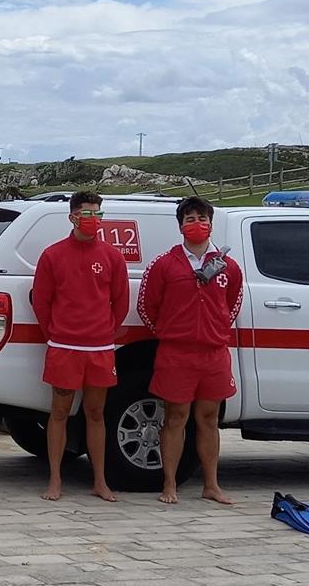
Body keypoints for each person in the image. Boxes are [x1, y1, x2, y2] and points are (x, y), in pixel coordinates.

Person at [138, 196, 242, 505]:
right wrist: (171, 334)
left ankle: (211, 484)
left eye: (201, 218)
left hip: (213, 353)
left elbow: (233, 302)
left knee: (209, 418)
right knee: (175, 417)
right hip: (176, 353)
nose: (196, 224)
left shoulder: (228, 266)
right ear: (181, 226)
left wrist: (216, 330)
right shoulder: (165, 264)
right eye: (190, 219)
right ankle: (169, 484)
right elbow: (147, 307)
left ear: (211, 223)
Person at [32, 191, 129, 502]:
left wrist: (103, 333)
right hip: (63, 346)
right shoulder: (52, 255)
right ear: (72, 216)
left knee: (96, 413)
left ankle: (100, 481)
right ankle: (55, 480)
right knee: (59, 413)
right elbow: (42, 301)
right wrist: (56, 333)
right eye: (86, 214)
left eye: (97, 214)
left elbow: (121, 302)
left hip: (99, 349)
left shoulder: (112, 256)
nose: (93, 220)